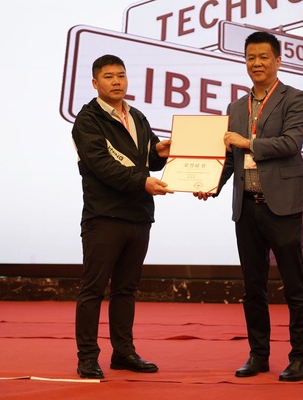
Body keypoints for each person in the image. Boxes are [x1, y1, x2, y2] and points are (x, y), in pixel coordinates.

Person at [195, 31, 303, 382]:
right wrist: (210, 185)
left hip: (283, 206)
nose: (257, 63)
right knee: (253, 289)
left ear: (278, 60)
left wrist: (247, 141)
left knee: (295, 286)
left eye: (264, 57)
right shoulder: (236, 108)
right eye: (251, 57)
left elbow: (291, 143)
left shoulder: (295, 98)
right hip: (246, 207)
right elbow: (231, 160)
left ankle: (300, 358)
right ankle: (258, 355)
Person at [71, 54, 173, 379]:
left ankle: (123, 352)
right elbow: (103, 167)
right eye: (108, 76)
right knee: (93, 289)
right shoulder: (87, 120)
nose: (116, 82)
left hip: (139, 215)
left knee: (126, 290)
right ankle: (88, 357)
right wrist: (143, 182)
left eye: (121, 76)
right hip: (104, 216)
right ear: (94, 83)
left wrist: (161, 152)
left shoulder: (137, 116)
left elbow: (148, 157)